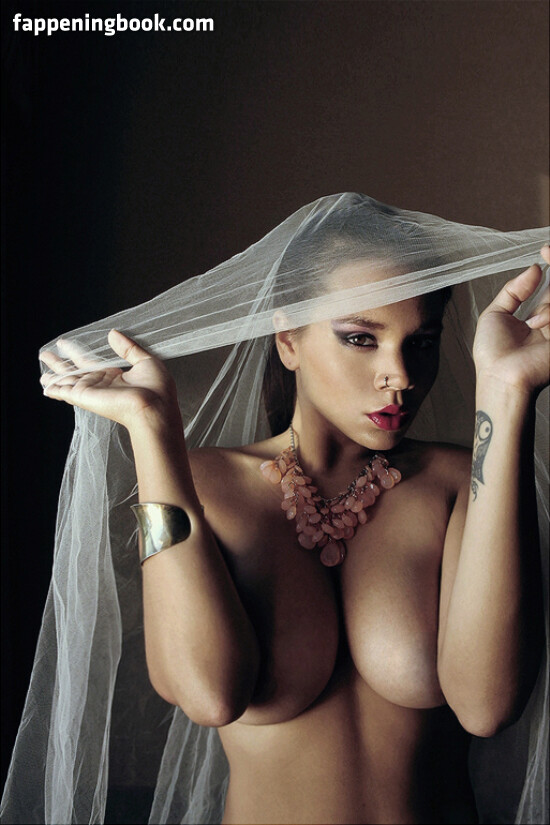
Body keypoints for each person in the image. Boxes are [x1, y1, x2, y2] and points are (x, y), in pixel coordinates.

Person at [2, 194, 549, 824]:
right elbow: (208, 694)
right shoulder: (203, 485)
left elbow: (487, 706)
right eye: (360, 338)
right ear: (288, 337)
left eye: (421, 342)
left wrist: (506, 392)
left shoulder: (455, 485)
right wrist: (151, 429)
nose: (399, 375)